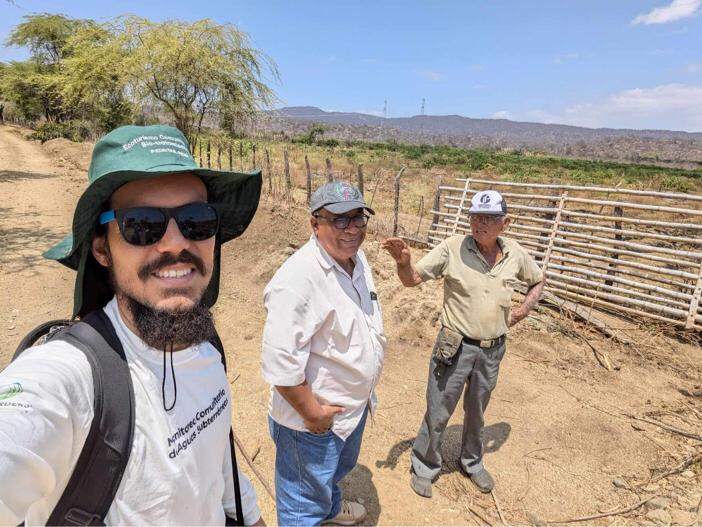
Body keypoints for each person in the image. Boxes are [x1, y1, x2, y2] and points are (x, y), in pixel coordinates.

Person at [0, 125, 265, 525]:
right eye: (142, 224)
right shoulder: (69, 380)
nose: (176, 244)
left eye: (197, 220)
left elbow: (217, 468)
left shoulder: (207, 348)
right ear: (103, 248)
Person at [382, 189, 544, 498]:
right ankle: (424, 466)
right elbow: (412, 279)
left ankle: (472, 462)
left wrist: (522, 311)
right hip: (454, 345)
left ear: (505, 223)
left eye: (488, 218)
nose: (479, 224)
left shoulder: (515, 254)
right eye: (475, 217)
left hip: (493, 349)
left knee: (477, 410)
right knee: (438, 408)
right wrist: (403, 262)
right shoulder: (452, 248)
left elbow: (538, 279)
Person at [261, 181, 387, 526]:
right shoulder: (298, 279)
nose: (352, 229)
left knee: (332, 474)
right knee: (303, 502)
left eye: (358, 218)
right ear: (315, 224)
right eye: (339, 221)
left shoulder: (356, 260)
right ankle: (318, 514)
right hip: (312, 423)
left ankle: (330, 511)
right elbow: (280, 365)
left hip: (348, 411)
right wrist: (314, 415)